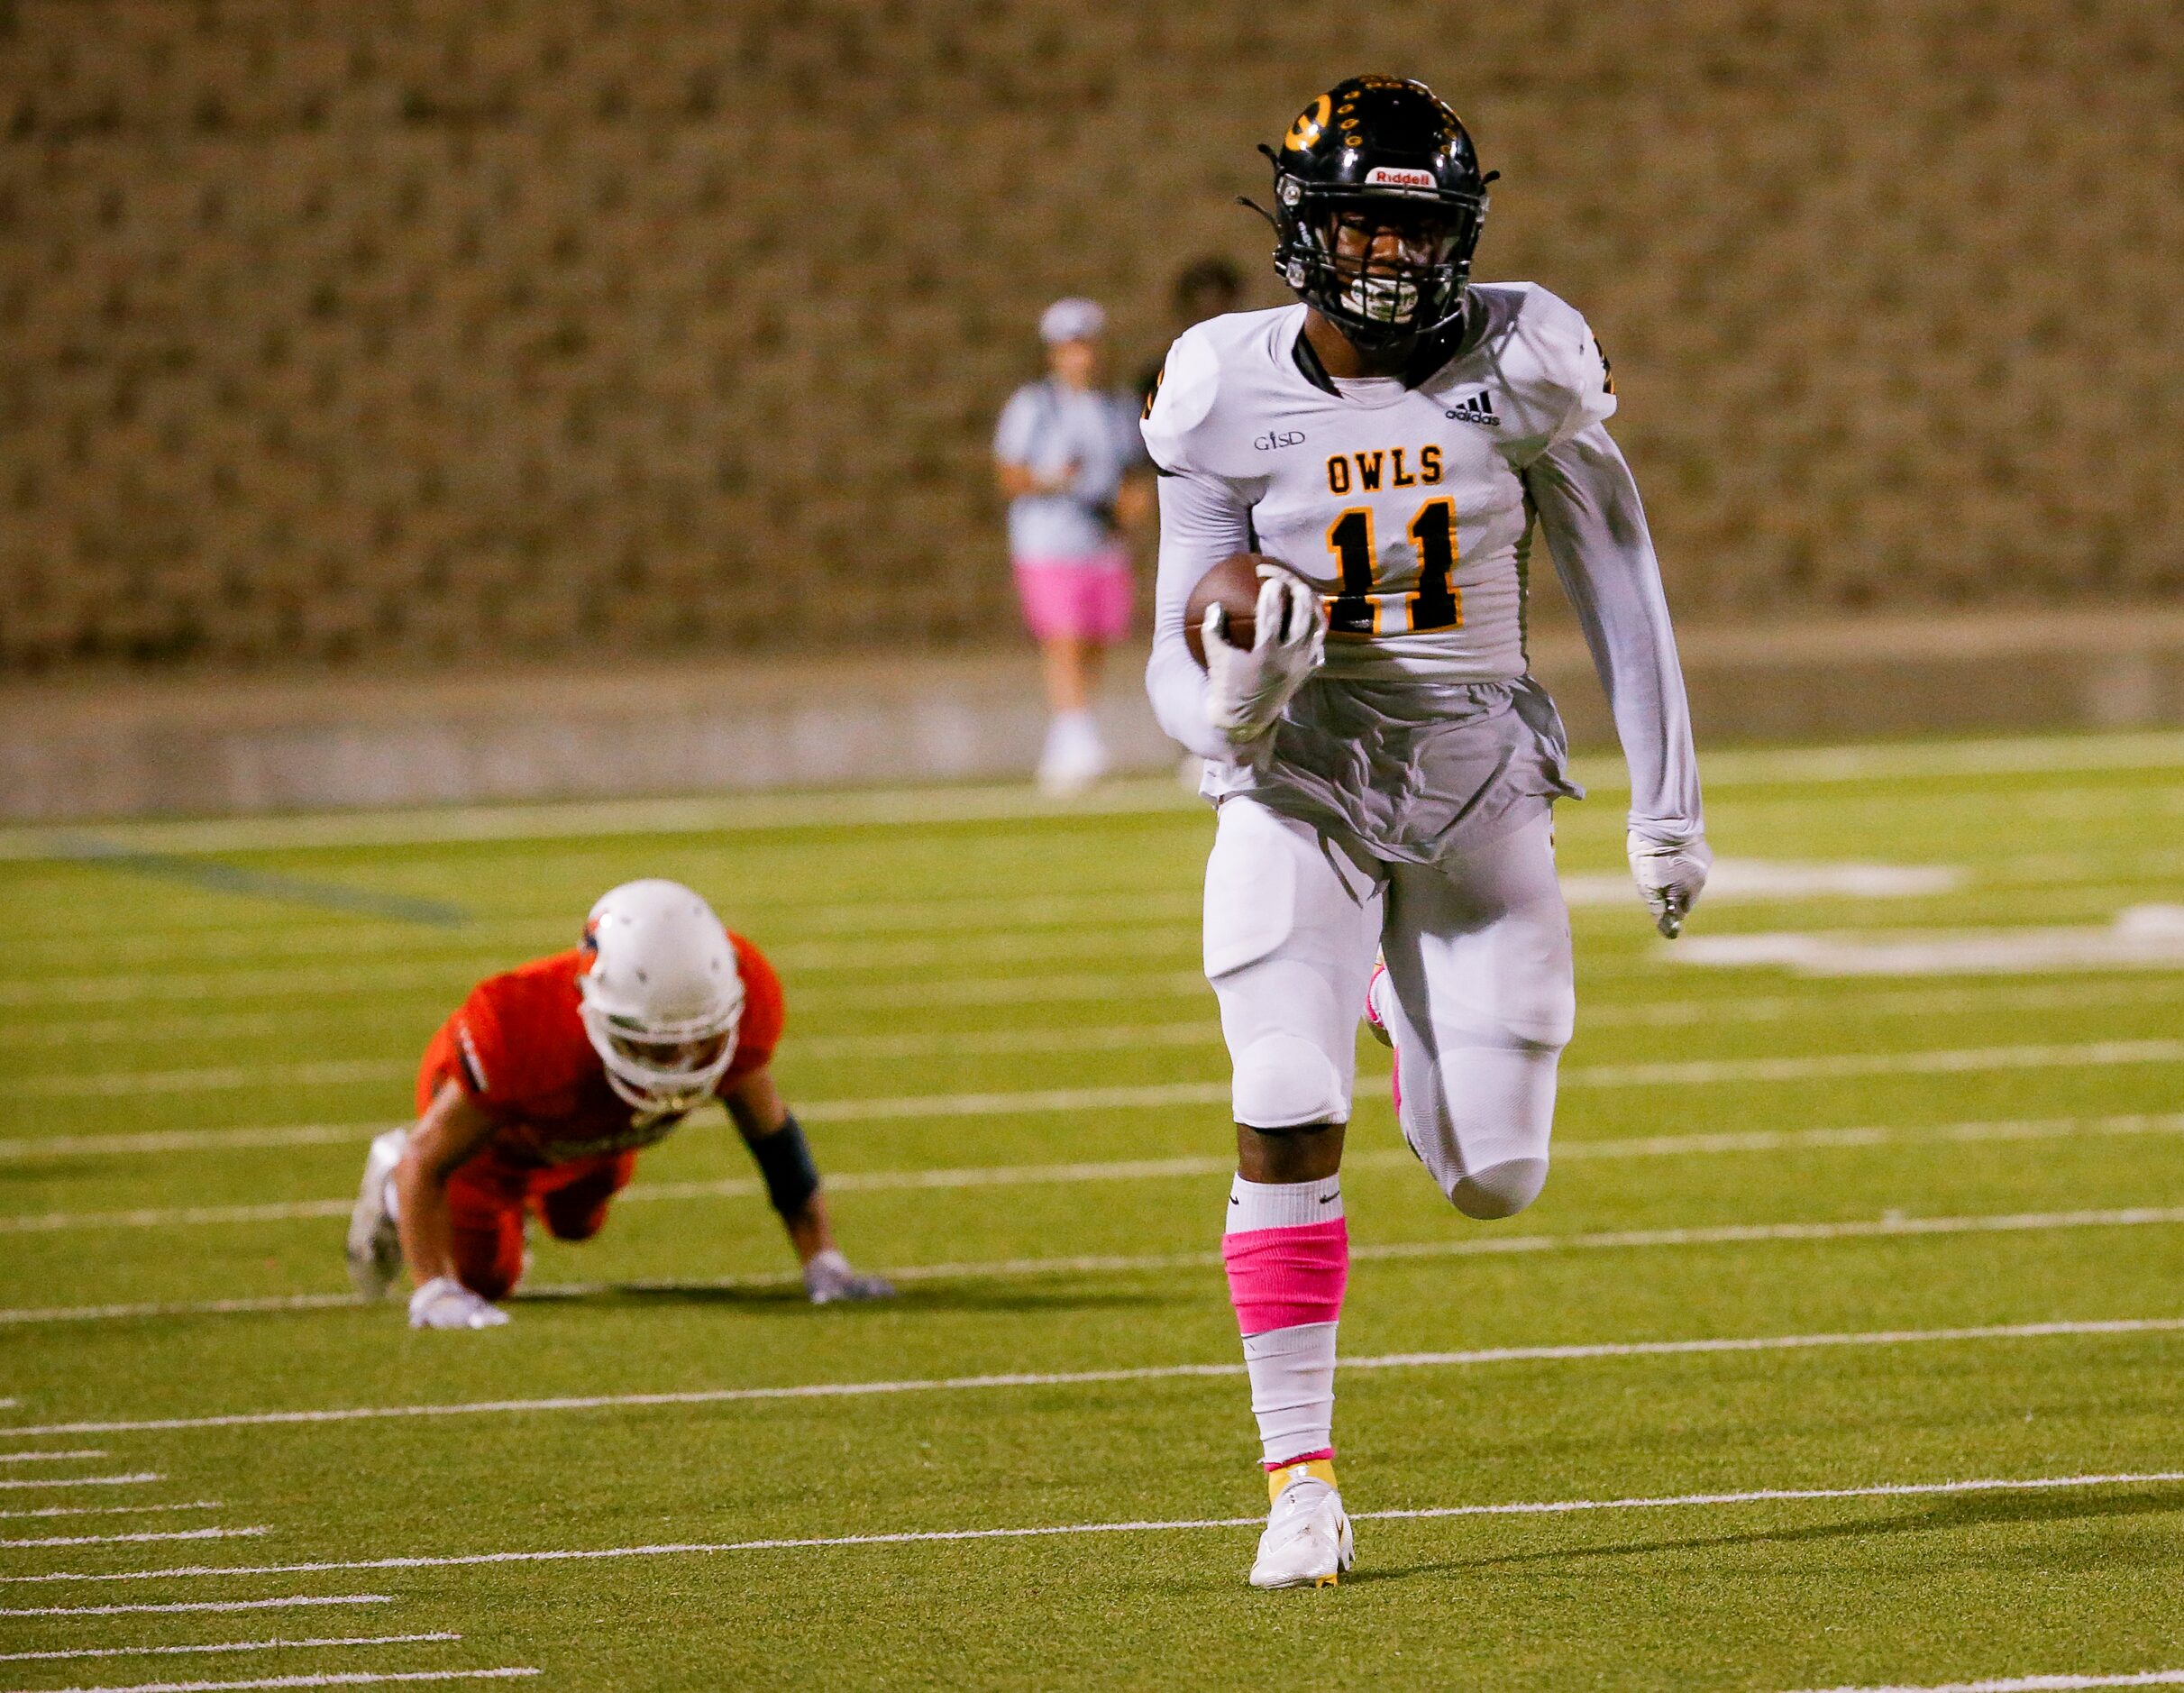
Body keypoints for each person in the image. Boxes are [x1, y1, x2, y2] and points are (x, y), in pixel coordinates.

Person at [1140, 77, 1710, 1588]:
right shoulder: (1216, 384)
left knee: (1493, 1176)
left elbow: (1619, 579)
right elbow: (1165, 661)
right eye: (1358, 220)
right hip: (1300, 781)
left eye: (1413, 222)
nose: (1386, 255)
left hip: (1477, 776)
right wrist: (1237, 692)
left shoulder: (1525, 357)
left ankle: (1393, 1000)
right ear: (1298, 224)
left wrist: (1665, 816)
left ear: (1457, 230)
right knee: (1276, 1084)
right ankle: (1299, 1476)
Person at [345, 878, 893, 1329]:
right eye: (652, 1040)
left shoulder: (743, 1002)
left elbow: (772, 1139)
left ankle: (525, 1210)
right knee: (487, 1282)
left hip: (601, 1120)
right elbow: (430, 1160)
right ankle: (392, 1185)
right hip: (495, 1136)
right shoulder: (519, 1027)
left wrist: (824, 1262)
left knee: (578, 1224)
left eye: (695, 1036)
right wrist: (434, 1291)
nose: (678, 1058)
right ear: (596, 1006)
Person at [993, 297, 1153, 796]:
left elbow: (1133, 469)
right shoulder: (1034, 405)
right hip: (1049, 539)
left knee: (1094, 635)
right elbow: (1011, 473)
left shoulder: (1116, 407)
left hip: (1100, 541)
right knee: (1062, 634)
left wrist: (1130, 507)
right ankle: (1072, 732)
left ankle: (1077, 727)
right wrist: (1054, 481)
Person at [1137, 255, 1246, 412]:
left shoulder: (1256, 370)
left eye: (1219, 315)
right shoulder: (1161, 380)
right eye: (1204, 316)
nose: (1211, 327)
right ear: (1186, 315)